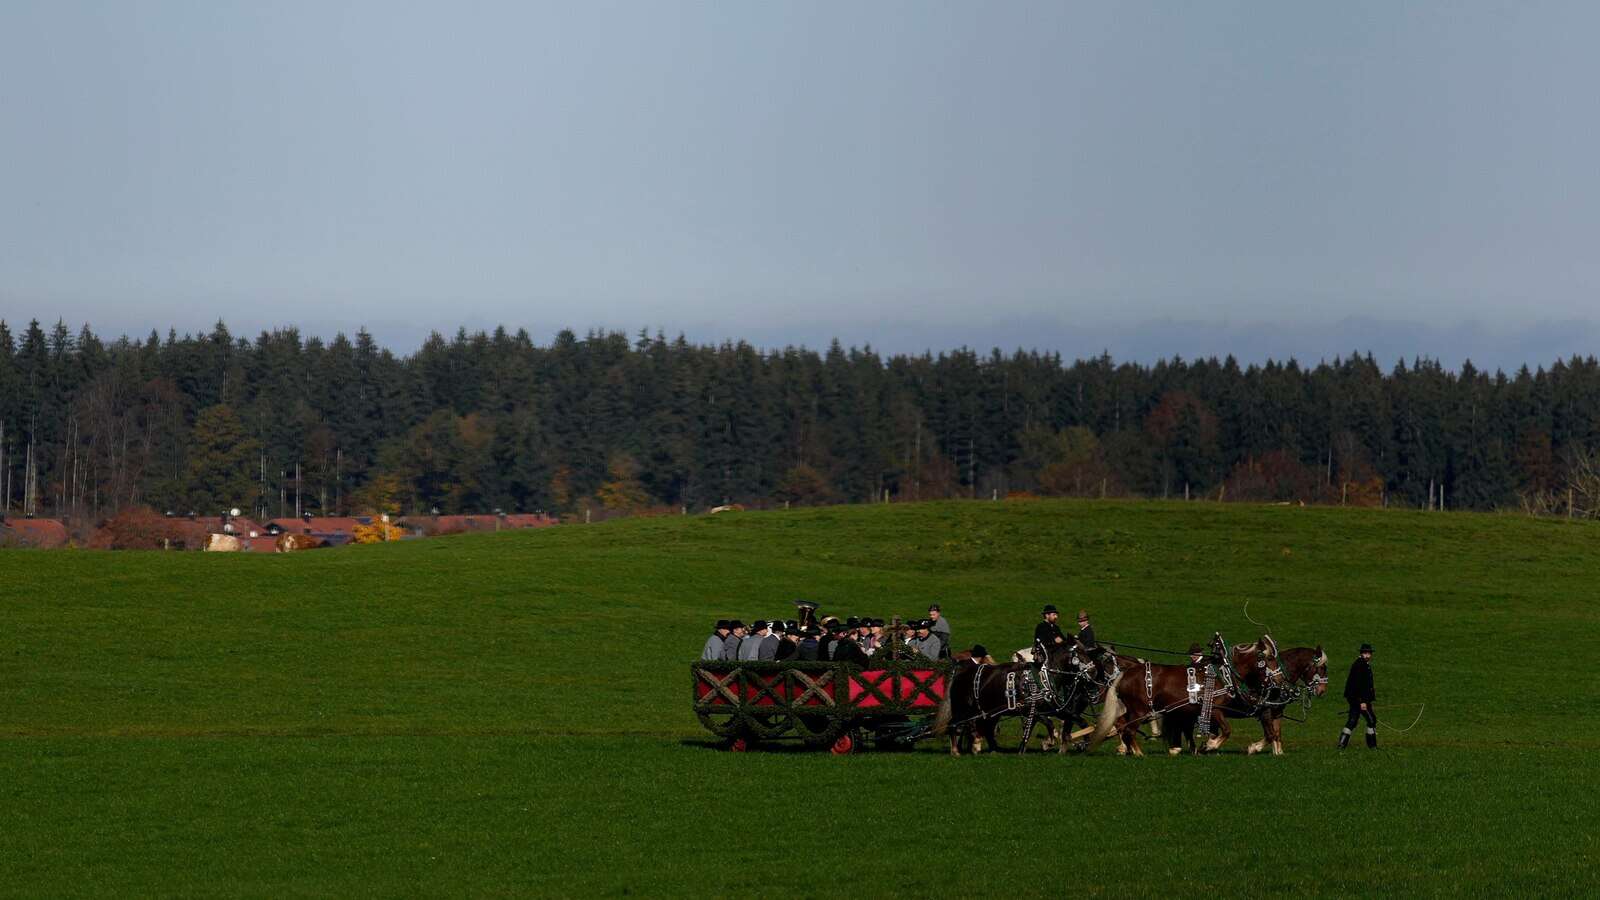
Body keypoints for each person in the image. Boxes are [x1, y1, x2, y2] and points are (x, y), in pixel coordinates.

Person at [1340, 643, 1378, 750]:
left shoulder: (1362, 664)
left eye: (1369, 653)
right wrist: (1362, 701)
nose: (1367, 655)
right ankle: (1372, 746)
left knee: (1353, 720)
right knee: (1371, 720)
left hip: (1354, 698)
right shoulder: (1360, 665)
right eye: (1365, 653)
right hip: (1359, 699)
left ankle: (1341, 745)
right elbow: (1358, 685)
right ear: (1361, 653)